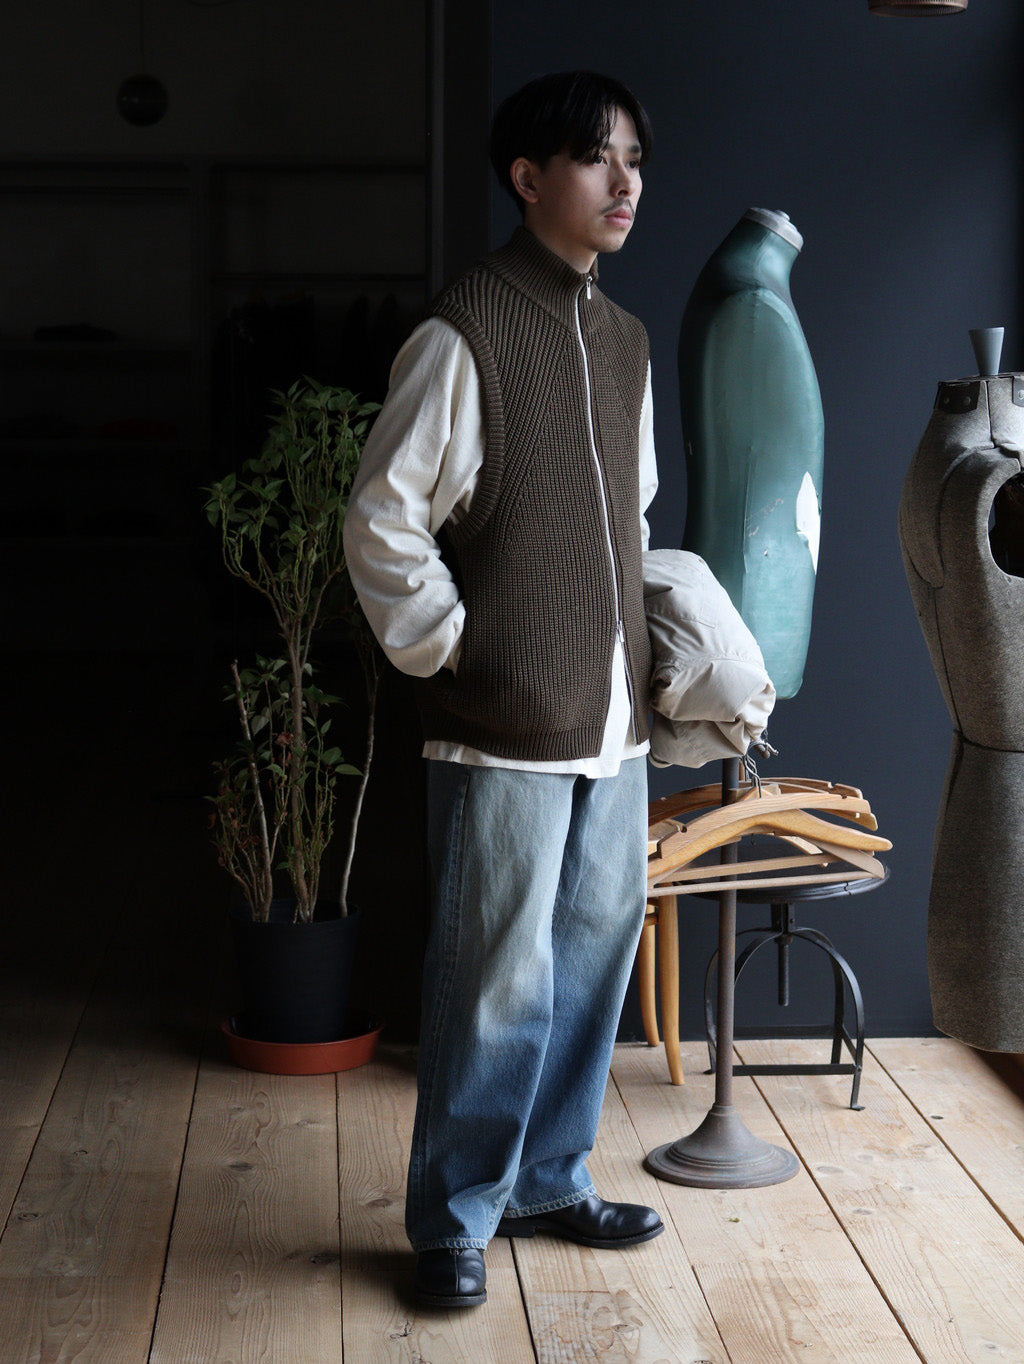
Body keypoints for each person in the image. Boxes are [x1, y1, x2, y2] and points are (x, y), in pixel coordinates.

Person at [343, 70, 663, 1310]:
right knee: (495, 984)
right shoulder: (463, 328)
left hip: (613, 721)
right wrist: (452, 649)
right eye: (596, 158)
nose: (624, 182)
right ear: (528, 179)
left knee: (588, 970)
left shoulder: (625, 340)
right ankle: (455, 1217)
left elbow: (630, 518)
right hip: (501, 725)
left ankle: (545, 1177)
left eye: (634, 159)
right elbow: (383, 517)